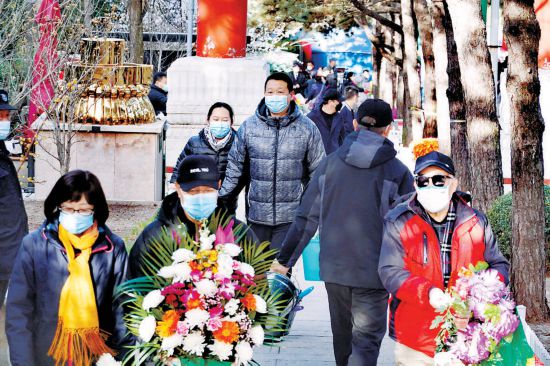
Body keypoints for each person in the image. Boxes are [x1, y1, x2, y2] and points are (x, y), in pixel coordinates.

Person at [271, 99, 415, 366]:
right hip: (376, 270)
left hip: (335, 268)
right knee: (367, 341)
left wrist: (284, 260)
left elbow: (306, 216)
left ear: (355, 124)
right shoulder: (398, 172)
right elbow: (409, 226)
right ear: (388, 129)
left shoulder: (330, 165)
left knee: (343, 339)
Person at [378, 150, 509, 365]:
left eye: (439, 180)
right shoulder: (398, 221)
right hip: (415, 339)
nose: (431, 186)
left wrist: (475, 300)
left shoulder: (476, 221)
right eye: (423, 181)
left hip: (467, 338)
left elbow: (499, 266)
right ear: (415, 186)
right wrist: (427, 292)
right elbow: (389, 271)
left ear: (453, 184)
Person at [6, 170, 132, 365]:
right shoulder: (34, 245)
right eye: (68, 208)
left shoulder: (112, 248)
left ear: (95, 209)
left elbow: (123, 311)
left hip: (99, 356)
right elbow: (19, 313)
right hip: (47, 355)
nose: (75, 215)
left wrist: (126, 359)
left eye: (83, 210)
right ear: (58, 206)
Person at [218, 72, 325, 251]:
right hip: (256, 215)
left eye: (280, 92)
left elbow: (318, 171)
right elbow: (235, 169)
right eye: (270, 92)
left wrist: (311, 212)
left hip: (290, 217)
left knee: (278, 272)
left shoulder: (307, 128)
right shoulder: (249, 127)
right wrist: (220, 199)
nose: (274, 97)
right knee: (255, 271)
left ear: (291, 96)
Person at [129, 155, 259, 279]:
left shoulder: (240, 233)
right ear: (178, 188)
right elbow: (134, 290)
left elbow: (259, 284)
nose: (201, 197)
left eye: (208, 191)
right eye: (193, 191)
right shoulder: (155, 236)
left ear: (219, 185)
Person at [169, 102, 244, 213]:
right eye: (216, 119)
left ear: (231, 122)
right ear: (208, 120)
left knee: (224, 229)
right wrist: (173, 188)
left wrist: (225, 195)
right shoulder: (194, 142)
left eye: (225, 120)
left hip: (227, 203)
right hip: (199, 200)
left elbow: (242, 176)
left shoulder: (238, 144)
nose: (220, 124)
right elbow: (181, 166)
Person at [0, 89, 28, 309]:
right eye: (0, 116)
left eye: (6, 117)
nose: (5, 121)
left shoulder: (1, 152)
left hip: (9, 251)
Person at [307, 89, 345, 154]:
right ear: (330, 102)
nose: (341, 104)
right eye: (339, 101)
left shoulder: (339, 118)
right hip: (317, 159)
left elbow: (342, 137)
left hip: (334, 158)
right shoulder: (311, 117)